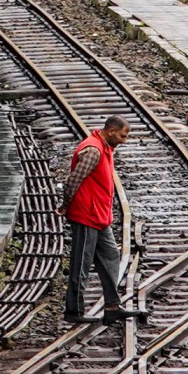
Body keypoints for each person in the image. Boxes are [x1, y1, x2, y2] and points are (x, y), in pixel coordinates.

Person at [62, 117, 142, 323]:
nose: (124, 140)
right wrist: (65, 206)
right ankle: (74, 311)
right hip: (86, 215)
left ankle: (113, 305)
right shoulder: (93, 150)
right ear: (111, 131)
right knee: (81, 264)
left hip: (100, 216)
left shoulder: (104, 147)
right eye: (123, 136)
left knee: (110, 257)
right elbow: (73, 180)